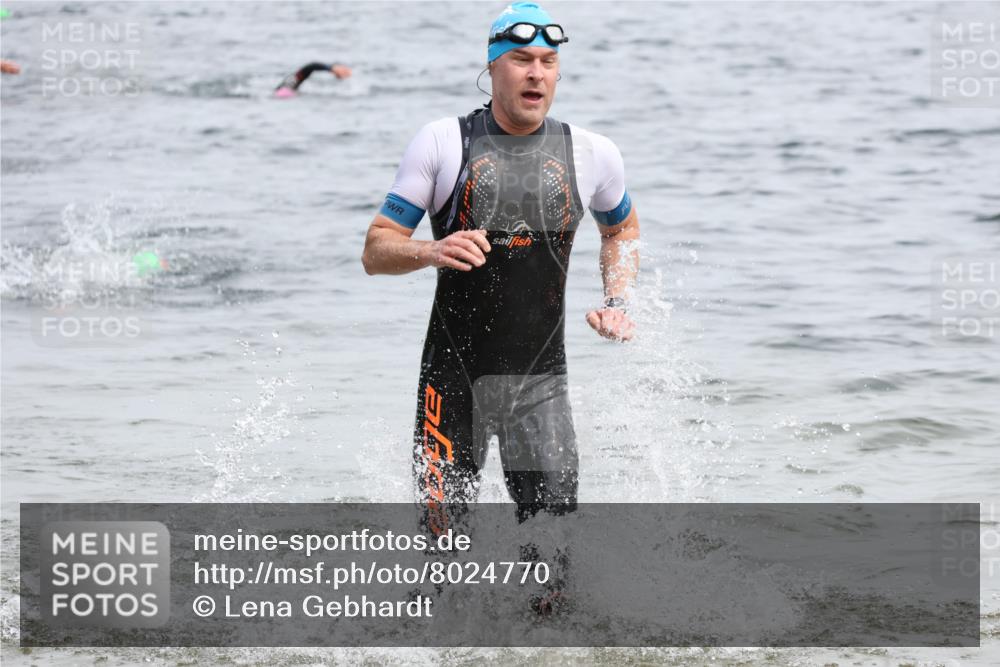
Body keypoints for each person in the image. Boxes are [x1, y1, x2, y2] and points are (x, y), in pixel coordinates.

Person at [361, 1, 639, 540]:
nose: (536, 73)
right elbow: (377, 249)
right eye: (520, 59)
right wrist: (431, 251)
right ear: (492, 68)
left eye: (548, 62)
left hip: (540, 386)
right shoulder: (444, 142)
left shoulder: (593, 153)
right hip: (450, 385)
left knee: (554, 559)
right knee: (443, 555)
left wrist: (617, 300)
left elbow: (621, 230)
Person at [274, 61, 351, 97]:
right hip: (284, 94)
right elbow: (312, 66)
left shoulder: (295, 78)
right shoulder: (297, 77)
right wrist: (331, 69)